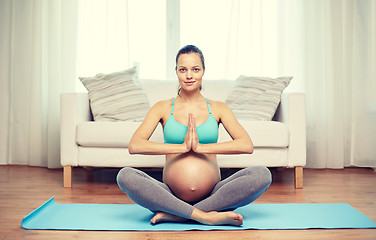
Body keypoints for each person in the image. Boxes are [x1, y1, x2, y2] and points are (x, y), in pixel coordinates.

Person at [117, 45, 271, 226]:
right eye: (183, 70)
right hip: (169, 195)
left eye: (195, 69)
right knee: (125, 175)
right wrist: (181, 147)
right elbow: (135, 145)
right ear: (176, 72)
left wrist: (201, 148)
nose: (189, 75)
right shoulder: (162, 107)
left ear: (203, 71)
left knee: (262, 174)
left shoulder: (218, 108)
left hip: (214, 194)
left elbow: (246, 145)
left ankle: (178, 214)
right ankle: (204, 216)